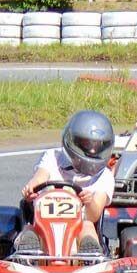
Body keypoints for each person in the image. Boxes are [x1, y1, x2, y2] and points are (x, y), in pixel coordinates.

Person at [16, 110, 116, 256]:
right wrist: (31, 188)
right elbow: (40, 177)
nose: (92, 150)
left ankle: (90, 256)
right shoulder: (53, 158)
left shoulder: (105, 177)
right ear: (73, 141)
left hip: (79, 227)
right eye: (86, 144)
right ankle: (28, 251)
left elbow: (94, 215)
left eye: (97, 146)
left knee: (87, 226)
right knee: (31, 228)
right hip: (43, 223)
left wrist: (88, 202)